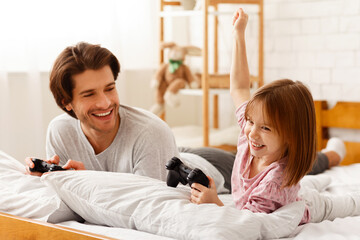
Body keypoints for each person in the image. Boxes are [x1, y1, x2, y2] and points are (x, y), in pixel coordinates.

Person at [189, 8, 359, 224]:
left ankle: (327, 169)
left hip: (307, 208)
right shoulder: (250, 129)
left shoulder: (273, 183)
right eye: (251, 121)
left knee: (347, 203)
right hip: (293, 192)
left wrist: (215, 203)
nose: (252, 133)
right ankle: (327, 167)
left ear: (291, 136)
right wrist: (238, 35)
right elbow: (240, 87)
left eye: (266, 128)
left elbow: (247, 222)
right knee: (310, 184)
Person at [25, 42, 179, 181]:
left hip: (192, 165)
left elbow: (147, 209)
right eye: (89, 94)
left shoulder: (151, 134)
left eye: (110, 88)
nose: (105, 103)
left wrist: (90, 182)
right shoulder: (60, 131)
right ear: (67, 102)